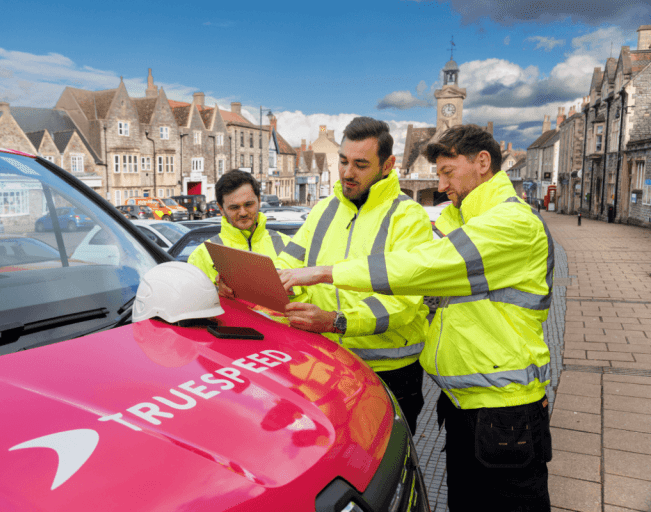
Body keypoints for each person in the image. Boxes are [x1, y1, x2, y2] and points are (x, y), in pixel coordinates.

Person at [279, 124, 554, 511]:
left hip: (504, 411)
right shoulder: (461, 221)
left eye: (447, 172)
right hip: (464, 405)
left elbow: (420, 268)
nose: (441, 186)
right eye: (438, 174)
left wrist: (326, 274)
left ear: (482, 163)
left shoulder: (512, 224)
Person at [277, 117, 432, 436]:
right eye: (344, 161)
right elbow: (287, 268)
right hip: (325, 364)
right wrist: (254, 283)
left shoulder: (408, 217)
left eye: (361, 164)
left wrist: (337, 321)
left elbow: (405, 300)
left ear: (387, 165)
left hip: (387, 372)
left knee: (382, 472)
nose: (347, 173)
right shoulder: (322, 211)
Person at [188, 169, 292, 300]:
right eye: (234, 207)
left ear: (259, 201)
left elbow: (309, 295)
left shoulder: (287, 244)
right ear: (221, 209)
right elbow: (193, 305)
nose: (243, 212)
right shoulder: (202, 255)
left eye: (248, 204)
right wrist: (216, 293)